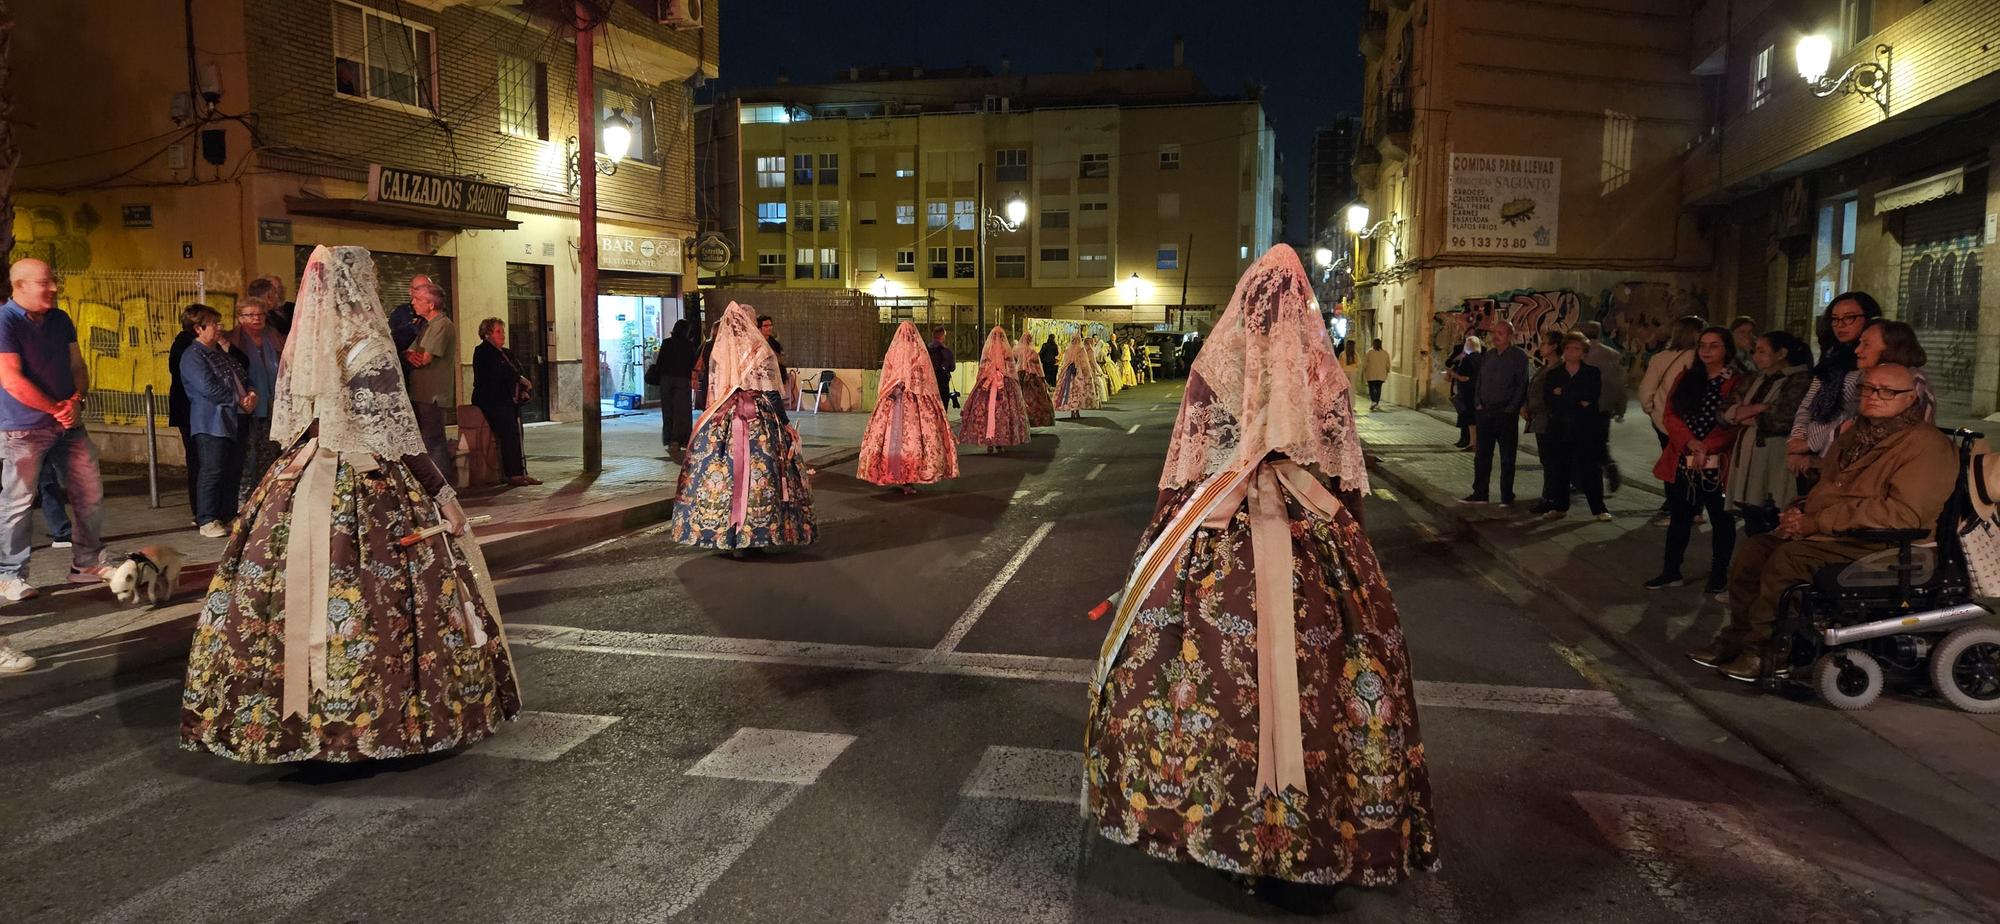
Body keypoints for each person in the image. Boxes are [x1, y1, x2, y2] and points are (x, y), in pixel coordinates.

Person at [1085, 245, 1437, 885]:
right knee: (1336, 672)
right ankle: (1316, 826)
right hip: (1309, 529)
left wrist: (1160, 536)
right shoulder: (1320, 373)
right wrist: (1353, 552)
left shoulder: (1215, 369)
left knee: (1203, 675)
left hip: (1218, 530)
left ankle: (1214, 821)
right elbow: (1346, 480)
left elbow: (1184, 469)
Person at [180, 245, 517, 763]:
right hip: (368, 479)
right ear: (359, 283)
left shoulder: (303, 343)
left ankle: (282, 723)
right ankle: (381, 722)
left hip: (300, 474)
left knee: (279, 591)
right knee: (383, 602)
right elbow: (398, 437)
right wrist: (444, 497)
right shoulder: (371, 345)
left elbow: (291, 427)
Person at [1689, 362, 1954, 680]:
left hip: (1884, 543)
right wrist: (1799, 511)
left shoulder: (1926, 446)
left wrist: (1816, 522)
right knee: (1754, 549)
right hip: (1836, 532)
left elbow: (1902, 514)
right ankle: (1738, 637)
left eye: (1887, 391)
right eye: (1867, 388)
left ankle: (1768, 651)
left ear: (1911, 398)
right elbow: (1829, 487)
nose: (1874, 396)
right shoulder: (1858, 431)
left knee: (1788, 560)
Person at [0, 257, 113, 600]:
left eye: (54, 281)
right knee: (18, 502)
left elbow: (77, 364)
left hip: (68, 424)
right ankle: (9, 574)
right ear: (19, 286)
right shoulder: (5, 322)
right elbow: (10, 379)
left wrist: (76, 399)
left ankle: (86, 563)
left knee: (89, 492)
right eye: (44, 283)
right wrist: (57, 409)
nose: (54, 288)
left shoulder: (61, 319)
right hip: (23, 428)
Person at [671, 302, 816, 551]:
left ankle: (723, 532)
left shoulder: (720, 350)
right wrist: (784, 423)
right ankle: (759, 530)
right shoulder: (759, 349)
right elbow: (770, 391)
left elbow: (714, 391)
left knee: (722, 472)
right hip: (756, 415)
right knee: (763, 471)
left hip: (724, 415)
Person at [1646, 326, 1741, 592]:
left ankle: (1719, 574)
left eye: (1714, 345)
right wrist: (1691, 442)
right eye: (1703, 345)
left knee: (1721, 520)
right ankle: (1671, 570)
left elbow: (1734, 421)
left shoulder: (1737, 381)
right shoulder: (1687, 377)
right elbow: (1670, 414)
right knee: (1680, 516)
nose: (1707, 351)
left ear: (1727, 350)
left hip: (1717, 462)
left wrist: (1707, 446)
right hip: (1684, 457)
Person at [1788, 294, 1891, 482]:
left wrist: (1810, 445)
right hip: (1807, 455)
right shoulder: (1832, 358)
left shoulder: (1872, 364)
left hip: (1837, 456)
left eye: (1849, 317)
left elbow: (1853, 417)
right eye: (1835, 319)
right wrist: (1797, 441)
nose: (1840, 325)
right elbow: (1807, 405)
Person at [1723, 331, 1813, 537]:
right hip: (1748, 458)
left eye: (1763, 351)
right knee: (1751, 518)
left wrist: (1748, 412)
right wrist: (1759, 408)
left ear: (1781, 353)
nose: (1756, 356)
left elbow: (1783, 417)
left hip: (1775, 459)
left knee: (1773, 515)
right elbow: (1725, 409)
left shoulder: (1800, 381)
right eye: (1755, 351)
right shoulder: (1754, 378)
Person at [179, 305, 256, 539]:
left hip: (235, 419)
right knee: (212, 470)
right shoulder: (192, 356)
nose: (219, 327)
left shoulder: (221, 352)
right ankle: (207, 518)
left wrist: (251, 393)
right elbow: (209, 388)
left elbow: (242, 376)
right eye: (213, 323)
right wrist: (239, 400)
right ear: (198, 328)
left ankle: (228, 514)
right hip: (212, 422)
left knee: (233, 470)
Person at [859, 321, 959, 493]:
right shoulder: (919, 352)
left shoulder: (893, 352)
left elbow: (886, 375)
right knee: (915, 437)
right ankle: (910, 477)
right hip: (915, 399)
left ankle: (892, 472)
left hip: (893, 398)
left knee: (891, 436)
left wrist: (885, 396)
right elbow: (926, 376)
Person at [1541, 332, 1611, 522]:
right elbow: (1549, 399)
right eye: (1569, 348)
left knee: (1590, 469)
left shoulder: (1591, 373)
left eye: (1577, 349)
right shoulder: (1555, 373)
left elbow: (1590, 398)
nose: (1572, 352)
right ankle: (1559, 507)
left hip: (1584, 429)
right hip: (1560, 429)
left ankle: (1598, 508)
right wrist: (1575, 398)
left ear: (1583, 352)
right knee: (1560, 470)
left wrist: (1563, 394)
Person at [1639, 315, 1703, 525]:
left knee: (1672, 462)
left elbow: (1646, 389)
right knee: (1695, 462)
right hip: (1697, 423)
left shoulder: (1661, 358)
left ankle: (1674, 506)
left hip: (1666, 422)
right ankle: (1695, 508)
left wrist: (1650, 410)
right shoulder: (1703, 358)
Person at [1464, 319, 1528, 507]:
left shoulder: (1518, 357)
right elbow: (1480, 381)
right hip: (1485, 412)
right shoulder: (1489, 355)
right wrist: (1478, 403)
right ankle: (1480, 493)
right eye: (1495, 332)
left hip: (1505, 413)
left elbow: (1521, 385)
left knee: (1507, 457)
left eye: (1501, 333)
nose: (1495, 337)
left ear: (1510, 336)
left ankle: (1506, 495)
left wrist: (1512, 408)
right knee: (1482, 455)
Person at [230, 293, 284, 507]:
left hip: (273, 403)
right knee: (248, 456)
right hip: (247, 406)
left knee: (271, 453)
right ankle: (245, 501)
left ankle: (268, 498)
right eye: (250, 315)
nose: (256, 318)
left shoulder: (273, 336)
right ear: (240, 317)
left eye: (260, 314)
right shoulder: (233, 340)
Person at [472, 318, 540, 487]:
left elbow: (517, 369)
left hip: (510, 399)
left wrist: (521, 384)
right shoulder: (483, 351)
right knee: (508, 432)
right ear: (487, 334)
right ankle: (514, 474)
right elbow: (497, 373)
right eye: (498, 332)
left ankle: (521, 471)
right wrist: (519, 378)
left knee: (516, 433)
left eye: (503, 331)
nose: (502, 335)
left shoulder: (506, 353)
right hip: (492, 399)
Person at [404, 283, 457, 481]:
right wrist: (410, 354)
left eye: (418, 299)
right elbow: (410, 352)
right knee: (428, 439)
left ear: (431, 304)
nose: (413, 303)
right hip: (422, 392)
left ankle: (441, 484)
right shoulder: (426, 325)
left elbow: (424, 358)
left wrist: (413, 355)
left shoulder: (441, 325)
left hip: (433, 393)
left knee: (433, 440)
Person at [958, 326, 1030, 454]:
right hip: (1001, 383)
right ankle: (999, 441)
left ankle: (991, 441)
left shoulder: (989, 350)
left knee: (988, 412)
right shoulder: (1005, 351)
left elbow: (984, 367)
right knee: (1003, 411)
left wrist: (984, 378)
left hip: (991, 383)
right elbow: (1010, 367)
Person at [1522, 331, 1563, 515]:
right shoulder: (1545, 367)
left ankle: (1551, 499)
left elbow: (1548, 397)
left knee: (1551, 461)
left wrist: (1532, 408)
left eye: (1545, 343)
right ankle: (1549, 497)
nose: (1541, 347)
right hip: (1539, 420)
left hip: (1549, 421)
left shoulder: (1557, 369)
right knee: (1546, 460)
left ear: (1554, 346)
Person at [1582, 321, 1626, 492]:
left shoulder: (1581, 354)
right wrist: (1620, 408)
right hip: (1604, 407)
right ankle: (1608, 466)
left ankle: (1590, 478)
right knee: (1601, 441)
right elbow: (1620, 384)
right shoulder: (1613, 355)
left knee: (1583, 443)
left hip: (1583, 407)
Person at [168, 305, 202, 522]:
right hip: (189, 410)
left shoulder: (190, 344)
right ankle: (199, 509)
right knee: (197, 460)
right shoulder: (187, 346)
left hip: (191, 410)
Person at [649, 319, 699, 457]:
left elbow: (660, 362)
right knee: (681, 411)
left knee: (668, 410)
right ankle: (679, 440)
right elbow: (692, 363)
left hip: (666, 380)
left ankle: (669, 439)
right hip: (682, 380)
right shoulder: (688, 345)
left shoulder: (666, 343)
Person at [388, 273, 432, 382]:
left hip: (432, 376)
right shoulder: (400, 313)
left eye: (428, 288)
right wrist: (405, 355)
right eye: (419, 288)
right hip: (405, 376)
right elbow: (389, 345)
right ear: (410, 292)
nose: (424, 292)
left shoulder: (438, 314)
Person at [1053, 331, 1099, 418]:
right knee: (1078, 391)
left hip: (1068, 373)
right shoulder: (1081, 349)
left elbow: (1065, 362)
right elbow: (1084, 362)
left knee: (1070, 391)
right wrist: (1087, 373)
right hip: (1079, 373)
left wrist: (1062, 372)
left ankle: (1072, 410)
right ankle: (1076, 411)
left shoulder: (1068, 349)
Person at [1447, 335, 1483, 448]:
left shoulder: (1468, 359)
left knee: (1469, 417)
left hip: (1468, 391)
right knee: (1474, 417)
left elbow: (1464, 377)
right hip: (1477, 390)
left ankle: (1472, 442)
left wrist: (1453, 374)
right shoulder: (1481, 357)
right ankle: (1473, 442)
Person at [1015, 332, 1056, 428]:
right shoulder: (1032, 352)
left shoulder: (1016, 350)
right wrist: (1042, 379)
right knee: (1036, 399)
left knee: (1020, 397)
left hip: (1019, 375)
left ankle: (1020, 418)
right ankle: (1034, 419)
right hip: (1032, 377)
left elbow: (1014, 363)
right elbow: (1038, 367)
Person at [927, 327, 957, 409]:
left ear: (933, 336)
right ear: (943, 336)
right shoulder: (947, 351)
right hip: (943, 385)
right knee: (943, 408)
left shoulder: (926, 350)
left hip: (928, 385)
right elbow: (952, 368)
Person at [1362, 338, 1391, 410]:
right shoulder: (1385, 353)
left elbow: (1365, 362)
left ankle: (1373, 401)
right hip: (1381, 374)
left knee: (1371, 388)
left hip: (1371, 374)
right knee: (1378, 388)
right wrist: (1387, 371)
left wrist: (1363, 370)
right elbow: (1388, 364)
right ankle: (1376, 402)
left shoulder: (1370, 352)